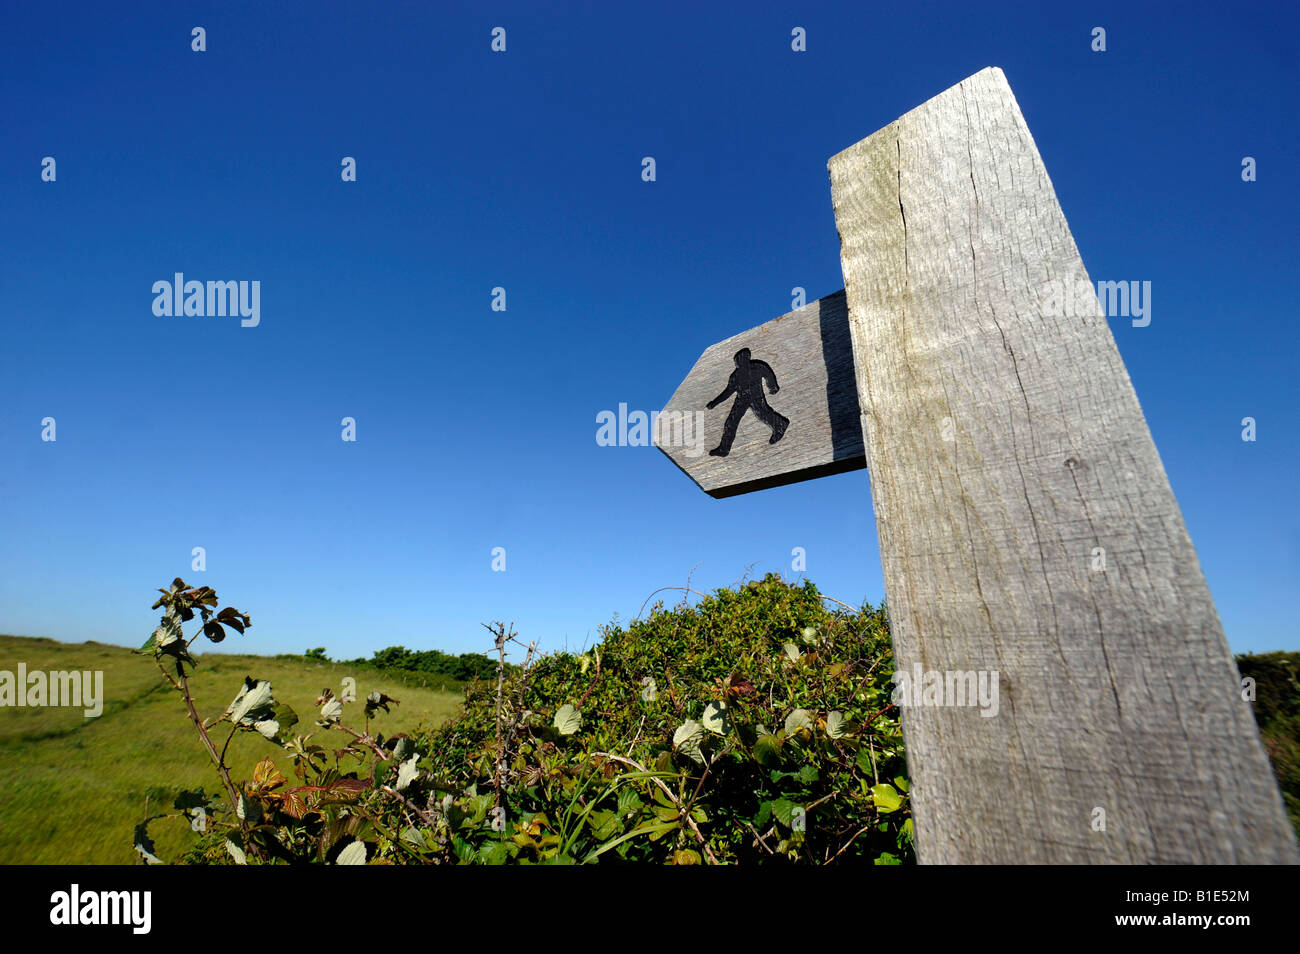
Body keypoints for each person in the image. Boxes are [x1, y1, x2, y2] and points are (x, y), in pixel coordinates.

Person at [706, 348, 789, 457]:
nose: (739, 363)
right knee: (731, 422)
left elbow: (768, 374)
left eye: (741, 360)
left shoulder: (757, 367)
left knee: (763, 414)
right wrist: (714, 403)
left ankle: (781, 425)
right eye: (738, 361)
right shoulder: (736, 376)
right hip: (742, 400)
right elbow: (727, 392)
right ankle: (724, 449)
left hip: (756, 397)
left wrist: (773, 386)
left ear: (746, 359)